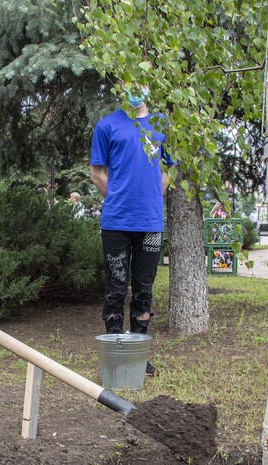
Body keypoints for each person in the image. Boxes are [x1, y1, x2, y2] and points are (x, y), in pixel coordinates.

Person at [90, 83, 170, 378]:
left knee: (144, 291)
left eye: (141, 82)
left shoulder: (162, 125)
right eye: (128, 82)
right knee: (116, 289)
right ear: (120, 86)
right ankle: (114, 352)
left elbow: (169, 169)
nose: (135, 89)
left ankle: (139, 357)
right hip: (116, 224)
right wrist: (119, 199)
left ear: (149, 86)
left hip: (150, 223)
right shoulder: (107, 126)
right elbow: (97, 173)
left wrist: (151, 196)